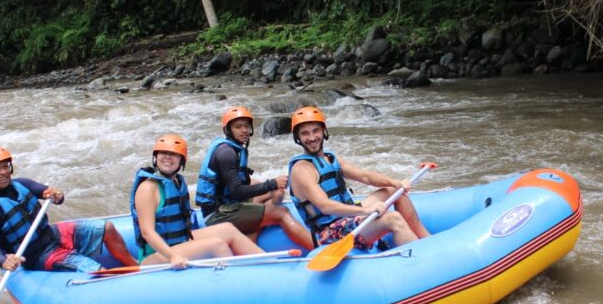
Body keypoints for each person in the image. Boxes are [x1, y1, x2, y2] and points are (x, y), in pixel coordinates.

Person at [287, 106, 430, 250]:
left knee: (393, 190)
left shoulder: (330, 158)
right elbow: (325, 206)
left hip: (348, 216)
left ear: (324, 131)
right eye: (305, 133)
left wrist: (396, 182)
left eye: (315, 131)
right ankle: (421, 259)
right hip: (330, 231)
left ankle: (426, 239)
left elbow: (365, 176)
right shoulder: (301, 170)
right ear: (297, 138)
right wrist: (367, 211)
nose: (312, 138)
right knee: (393, 218)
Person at [0, 146, 137, 272]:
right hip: (36, 255)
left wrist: (56, 195)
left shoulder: (21, 184)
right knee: (97, 271)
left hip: (52, 235)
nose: (3, 172)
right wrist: (3, 260)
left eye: (5, 167)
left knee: (107, 228)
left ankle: (135, 267)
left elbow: (54, 196)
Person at [130, 134, 264, 268]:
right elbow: (147, 232)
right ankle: (237, 281)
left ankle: (268, 264)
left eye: (173, 154)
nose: (167, 157)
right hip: (156, 254)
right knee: (216, 245)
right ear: (155, 157)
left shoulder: (176, 182)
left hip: (179, 241)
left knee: (228, 229)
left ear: (182, 160)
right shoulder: (148, 188)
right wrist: (173, 256)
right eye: (163, 153)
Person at [196, 106, 314, 250]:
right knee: (282, 213)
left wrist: (273, 186)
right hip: (218, 214)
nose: (244, 130)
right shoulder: (226, 153)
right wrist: (271, 183)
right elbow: (237, 191)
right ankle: (317, 247)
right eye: (238, 127)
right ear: (228, 130)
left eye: (246, 126)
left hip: (230, 204)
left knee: (277, 192)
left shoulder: (235, 148)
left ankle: (251, 236)